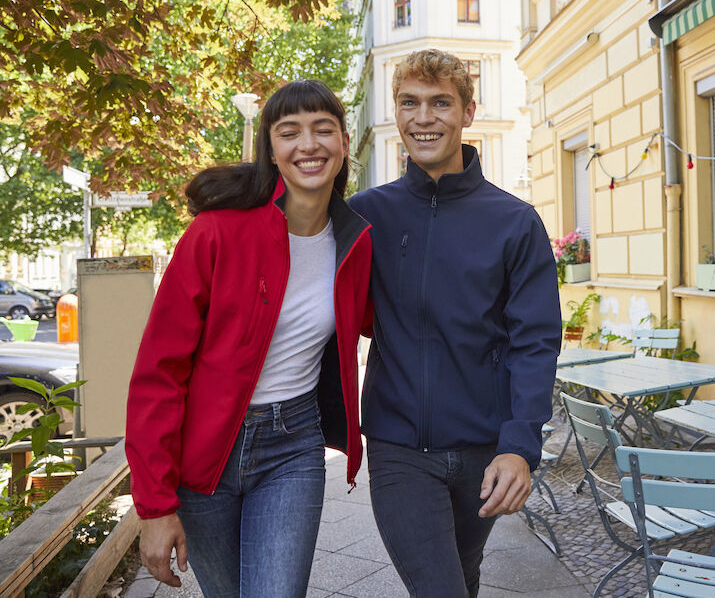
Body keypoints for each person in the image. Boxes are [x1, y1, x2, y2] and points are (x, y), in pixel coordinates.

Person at [125, 80, 372, 597]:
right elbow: (158, 373)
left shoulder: (356, 242)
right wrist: (154, 505)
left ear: (344, 144)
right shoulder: (216, 234)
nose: (308, 145)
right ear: (272, 150)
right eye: (290, 133)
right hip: (206, 455)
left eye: (323, 130)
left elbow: (401, 320)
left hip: (294, 446)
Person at [348, 49, 561, 597]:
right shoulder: (366, 215)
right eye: (409, 103)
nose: (424, 117)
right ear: (395, 113)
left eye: (440, 102)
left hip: (483, 449)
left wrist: (519, 445)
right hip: (398, 446)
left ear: (467, 112)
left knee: (462, 578)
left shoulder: (514, 221)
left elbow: (534, 342)